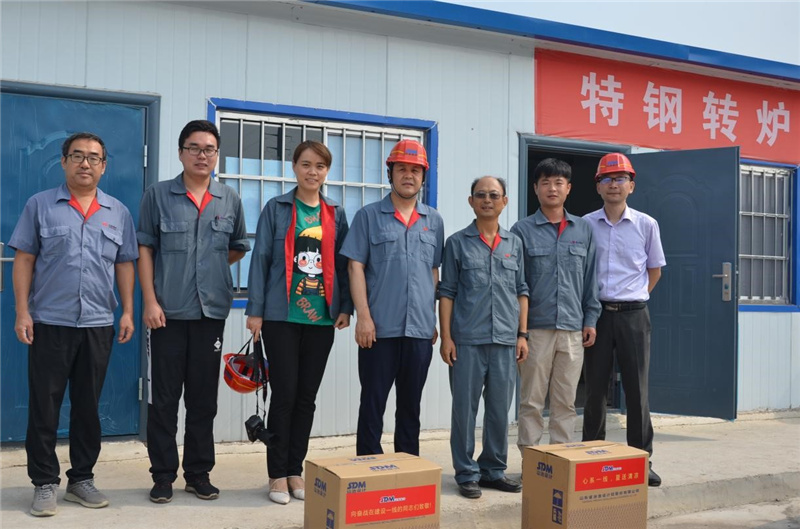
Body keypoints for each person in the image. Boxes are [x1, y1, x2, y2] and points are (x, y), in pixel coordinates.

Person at [10, 132, 137, 517]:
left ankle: (81, 479)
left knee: (87, 406)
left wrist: (127, 311)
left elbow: (124, 263)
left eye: (94, 158)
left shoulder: (118, 212)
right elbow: (24, 260)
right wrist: (22, 311)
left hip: (97, 323)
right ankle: (44, 483)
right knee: (44, 406)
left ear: (104, 166)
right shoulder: (40, 205)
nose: (85, 163)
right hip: (50, 322)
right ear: (64, 162)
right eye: (77, 156)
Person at [137, 120, 249, 504]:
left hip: (210, 313)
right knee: (164, 399)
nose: (202, 155)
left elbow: (236, 247)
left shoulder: (229, 199)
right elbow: (144, 249)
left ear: (217, 155)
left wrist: (207, 269)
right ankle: (163, 475)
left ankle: (198, 473)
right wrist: (150, 300)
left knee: (203, 400)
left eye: (209, 149)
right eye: (194, 148)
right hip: (166, 314)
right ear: (181, 152)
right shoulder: (158, 195)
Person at [245, 141, 352, 505]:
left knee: (306, 398)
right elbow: (260, 259)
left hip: (321, 319)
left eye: (320, 166)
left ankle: (295, 470)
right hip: (281, 316)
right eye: (306, 164)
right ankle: (276, 474)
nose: (312, 172)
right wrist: (255, 310)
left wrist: (346, 307)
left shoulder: (335, 213)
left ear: (327, 171)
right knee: (284, 395)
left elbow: (344, 265)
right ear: (294, 167)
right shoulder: (276, 208)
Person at [340, 139, 444, 457]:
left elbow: (433, 272)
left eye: (415, 170)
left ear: (423, 177)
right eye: (402, 169)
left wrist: (431, 319)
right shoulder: (369, 216)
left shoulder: (434, 221)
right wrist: (363, 317)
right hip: (379, 329)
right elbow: (355, 267)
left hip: (419, 330)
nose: (408, 175)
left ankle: (407, 468)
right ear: (390, 173)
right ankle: (369, 468)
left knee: (411, 406)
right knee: (373, 403)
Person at [439, 176, 529, 499]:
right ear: (471, 201)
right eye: (481, 195)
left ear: (504, 201)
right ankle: (466, 473)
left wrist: (522, 334)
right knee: (465, 410)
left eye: (494, 195)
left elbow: (522, 290)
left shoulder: (514, 244)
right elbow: (447, 292)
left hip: (505, 340)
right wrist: (446, 337)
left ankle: (493, 470)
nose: (487, 200)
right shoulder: (457, 243)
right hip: (467, 340)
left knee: (499, 410)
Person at [581, 153, 666, 487]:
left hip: (634, 316)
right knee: (594, 389)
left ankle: (642, 459)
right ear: (597, 187)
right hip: (598, 316)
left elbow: (654, 270)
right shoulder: (586, 225)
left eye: (620, 179)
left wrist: (635, 296)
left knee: (637, 390)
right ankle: (591, 454)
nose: (613, 185)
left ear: (631, 185)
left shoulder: (647, 224)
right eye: (606, 179)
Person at [511, 158, 601, 451]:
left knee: (566, 401)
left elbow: (590, 278)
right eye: (546, 182)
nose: (552, 188)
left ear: (568, 188)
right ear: (535, 188)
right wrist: (521, 332)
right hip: (536, 330)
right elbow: (517, 284)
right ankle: (531, 462)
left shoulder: (583, 230)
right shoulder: (522, 231)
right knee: (532, 401)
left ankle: (561, 460)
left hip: (573, 329)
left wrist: (590, 319)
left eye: (558, 182)